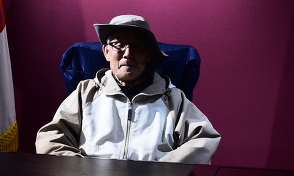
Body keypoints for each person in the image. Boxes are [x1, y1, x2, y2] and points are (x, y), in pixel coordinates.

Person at [35, 14, 221, 163]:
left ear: (149, 55)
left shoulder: (172, 97)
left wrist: (164, 172)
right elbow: (51, 138)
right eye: (119, 44)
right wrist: (82, 173)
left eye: (137, 47)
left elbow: (204, 140)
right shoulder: (86, 92)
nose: (128, 54)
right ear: (106, 52)